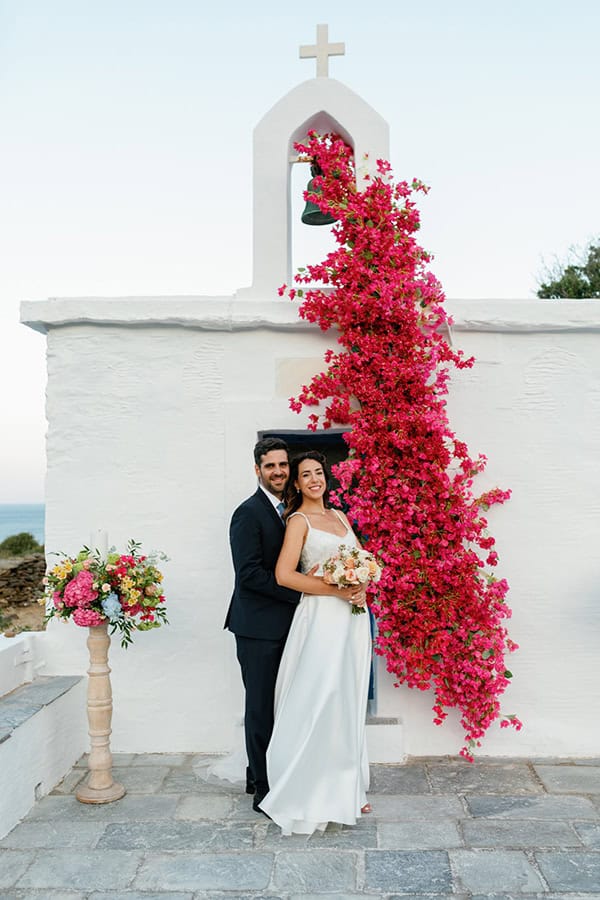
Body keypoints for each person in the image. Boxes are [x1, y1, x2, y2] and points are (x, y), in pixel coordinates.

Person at [226, 438, 363, 813]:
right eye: (270, 466)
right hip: (258, 626)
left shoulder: (290, 510)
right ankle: (262, 786)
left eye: (283, 465)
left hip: (301, 624)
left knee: (291, 703)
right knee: (261, 706)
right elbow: (250, 575)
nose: (278, 471)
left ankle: (285, 773)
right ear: (257, 470)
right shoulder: (248, 513)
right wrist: (313, 591)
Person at [259, 450, 372, 835]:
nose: (313, 479)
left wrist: (361, 586)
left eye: (318, 472)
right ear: (296, 482)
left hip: (352, 619)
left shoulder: (340, 516)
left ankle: (350, 786)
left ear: (326, 477)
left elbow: (357, 563)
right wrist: (336, 589)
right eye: (305, 474)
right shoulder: (298, 521)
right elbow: (284, 576)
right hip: (321, 619)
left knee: (349, 697)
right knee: (322, 696)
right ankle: (311, 784)